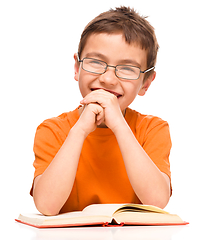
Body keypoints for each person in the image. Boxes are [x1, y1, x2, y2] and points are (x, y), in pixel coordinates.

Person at [31, 6, 172, 216]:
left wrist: (119, 126)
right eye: (96, 62)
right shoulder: (53, 130)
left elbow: (157, 202)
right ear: (77, 68)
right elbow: (46, 206)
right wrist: (79, 131)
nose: (107, 79)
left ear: (146, 83)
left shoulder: (152, 129)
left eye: (127, 68)